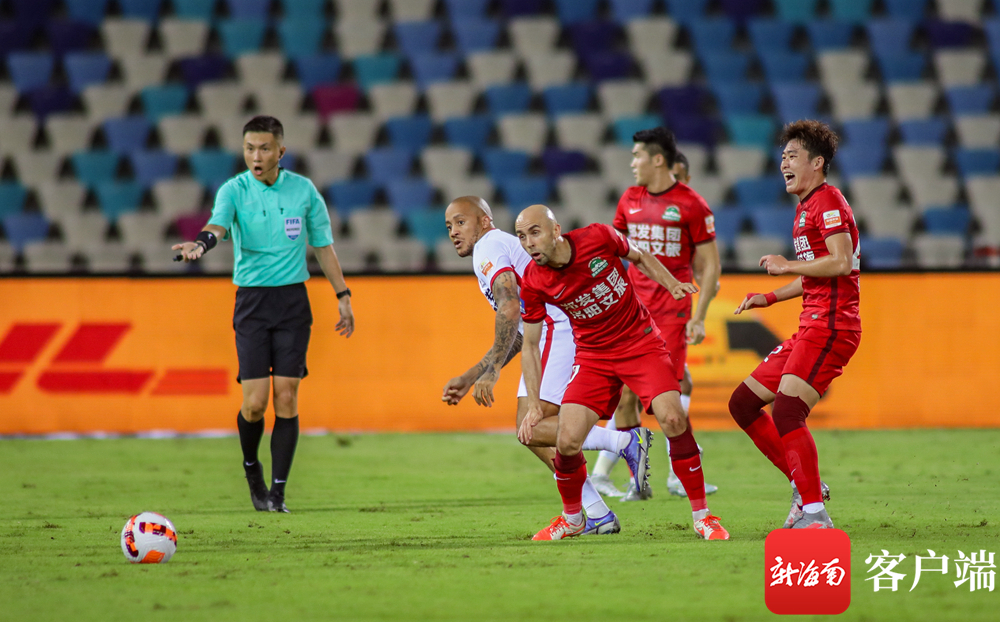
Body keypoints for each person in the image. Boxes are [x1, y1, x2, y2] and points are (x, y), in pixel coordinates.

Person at [172, 115, 355, 513]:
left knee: (286, 396)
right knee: (255, 403)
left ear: (280, 151)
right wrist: (200, 247)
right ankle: (252, 467)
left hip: (292, 302)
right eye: (250, 148)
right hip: (252, 303)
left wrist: (343, 294)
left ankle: (278, 492)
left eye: (264, 148)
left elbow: (323, 246)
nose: (256, 156)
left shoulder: (304, 192)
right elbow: (216, 227)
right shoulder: (234, 191)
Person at [515, 205, 729, 541]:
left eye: (535, 232)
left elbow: (640, 256)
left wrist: (671, 283)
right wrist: (534, 405)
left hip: (639, 342)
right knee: (568, 439)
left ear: (556, 230)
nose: (529, 242)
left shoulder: (597, 237)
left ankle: (704, 517)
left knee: (673, 419)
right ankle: (573, 519)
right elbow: (529, 345)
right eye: (522, 236)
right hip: (593, 355)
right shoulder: (532, 280)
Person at [440, 196, 651, 536]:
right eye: (448, 226)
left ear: (483, 221)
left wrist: (492, 371)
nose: (453, 231)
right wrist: (474, 373)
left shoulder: (488, 248)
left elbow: (509, 310)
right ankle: (597, 512)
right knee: (533, 432)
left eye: (460, 222)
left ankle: (622, 444)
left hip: (559, 328)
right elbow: (520, 332)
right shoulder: (502, 246)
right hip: (556, 328)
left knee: (533, 425)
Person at [728, 120, 860, 529]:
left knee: (787, 410)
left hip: (834, 326)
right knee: (743, 403)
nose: (783, 161)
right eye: (782, 155)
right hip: (811, 325)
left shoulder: (829, 201)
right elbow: (817, 274)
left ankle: (815, 514)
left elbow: (840, 263)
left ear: (817, 163)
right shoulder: (807, 207)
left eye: (793, 156)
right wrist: (767, 297)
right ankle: (808, 490)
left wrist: (787, 263)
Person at [590, 134, 721, 502]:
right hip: (630, 310)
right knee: (629, 394)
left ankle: (674, 477)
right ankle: (639, 480)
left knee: (663, 393)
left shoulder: (692, 205)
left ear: (658, 160)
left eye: (636, 157)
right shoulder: (629, 200)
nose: (632, 163)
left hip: (670, 312)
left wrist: (699, 316)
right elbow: (614, 248)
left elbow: (711, 265)